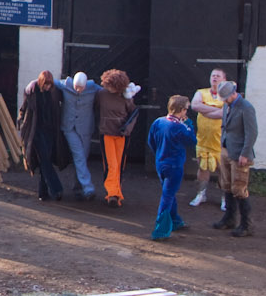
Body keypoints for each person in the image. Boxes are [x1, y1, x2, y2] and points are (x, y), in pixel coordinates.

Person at [147, 96, 197, 240]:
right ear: (182, 110)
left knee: (169, 192)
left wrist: (159, 155)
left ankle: (175, 221)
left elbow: (151, 141)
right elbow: (192, 140)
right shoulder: (179, 127)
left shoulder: (158, 122)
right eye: (186, 109)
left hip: (160, 163)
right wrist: (189, 124)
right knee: (168, 195)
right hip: (174, 166)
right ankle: (160, 230)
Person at [213, 80, 258, 237]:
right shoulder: (228, 105)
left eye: (226, 98)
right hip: (227, 149)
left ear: (233, 94)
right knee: (226, 185)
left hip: (239, 153)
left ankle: (246, 224)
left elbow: (252, 133)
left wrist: (245, 153)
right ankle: (229, 218)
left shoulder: (246, 108)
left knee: (239, 188)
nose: (224, 101)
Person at [18, 70, 69, 201]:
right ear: (41, 83)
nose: (47, 87)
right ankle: (56, 189)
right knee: (44, 159)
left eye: (49, 85)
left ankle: (43, 192)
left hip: (50, 131)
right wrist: (21, 121)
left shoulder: (54, 92)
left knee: (45, 162)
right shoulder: (32, 91)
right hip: (35, 131)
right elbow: (25, 107)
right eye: (46, 84)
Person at [95, 69, 138, 207]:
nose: (108, 88)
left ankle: (116, 193)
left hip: (121, 135)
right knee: (111, 164)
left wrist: (127, 129)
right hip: (106, 133)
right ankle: (112, 193)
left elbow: (133, 113)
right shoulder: (101, 94)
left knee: (119, 165)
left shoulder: (126, 97)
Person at [55, 72, 98, 201]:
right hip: (69, 127)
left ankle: (77, 188)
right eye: (76, 87)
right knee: (79, 155)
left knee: (82, 157)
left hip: (85, 128)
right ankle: (88, 188)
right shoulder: (65, 85)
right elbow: (49, 80)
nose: (78, 90)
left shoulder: (93, 88)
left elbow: (108, 92)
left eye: (81, 88)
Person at [188, 69, 227, 208]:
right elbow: (195, 105)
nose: (214, 78)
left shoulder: (226, 95)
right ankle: (201, 194)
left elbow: (224, 112)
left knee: (223, 171)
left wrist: (205, 110)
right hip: (203, 140)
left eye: (218, 76)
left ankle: (225, 198)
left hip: (220, 142)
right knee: (203, 168)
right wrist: (215, 110)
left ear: (224, 79)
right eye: (213, 75)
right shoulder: (201, 92)